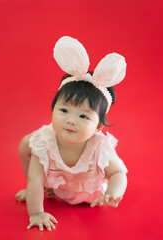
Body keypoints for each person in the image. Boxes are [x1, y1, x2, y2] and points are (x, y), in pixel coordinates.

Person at [15, 36, 128, 231]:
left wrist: (112, 192)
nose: (71, 120)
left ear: (98, 128)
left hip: (90, 197)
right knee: (27, 145)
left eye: (84, 116)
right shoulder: (45, 144)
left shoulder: (99, 146)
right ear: (53, 110)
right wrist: (36, 212)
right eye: (64, 111)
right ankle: (43, 191)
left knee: (28, 145)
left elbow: (118, 172)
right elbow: (35, 178)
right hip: (57, 190)